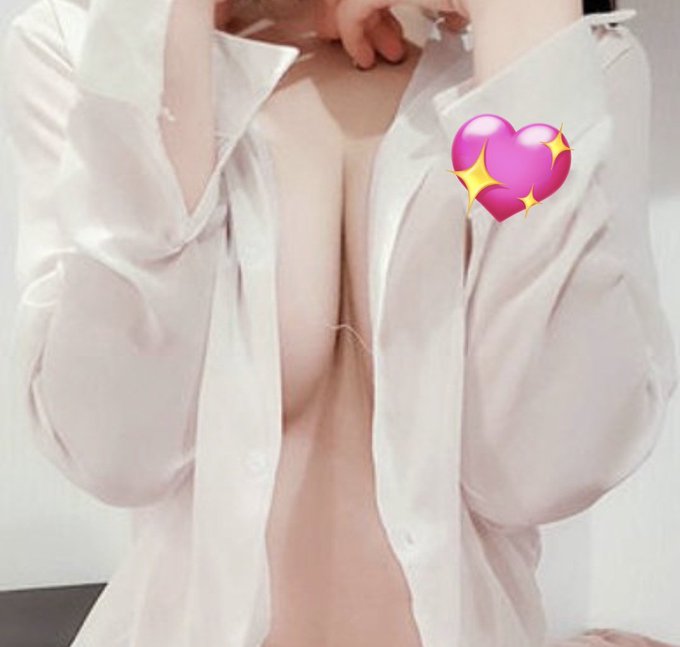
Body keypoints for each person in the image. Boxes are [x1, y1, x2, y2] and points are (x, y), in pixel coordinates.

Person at [1, 0, 677, 645]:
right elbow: (119, 453)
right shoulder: (85, 45)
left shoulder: (558, 62)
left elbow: (541, 470)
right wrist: (163, 37)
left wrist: (517, 25)